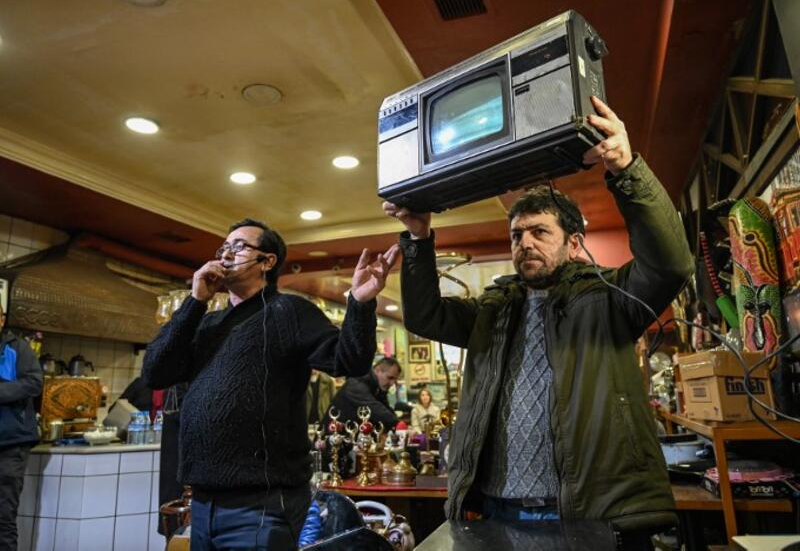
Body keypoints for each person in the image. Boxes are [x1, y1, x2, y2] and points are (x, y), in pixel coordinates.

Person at [384, 97, 694, 549]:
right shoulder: (492, 309)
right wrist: (418, 239)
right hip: (495, 511)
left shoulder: (607, 299)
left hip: (585, 511)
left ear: (574, 244)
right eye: (516, 235)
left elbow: (670, 265)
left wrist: (626, 171)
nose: (524, 243)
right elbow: (425, 316)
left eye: (539, 232)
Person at [142, 218, 398, 551]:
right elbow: (155, 373)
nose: (227, 254)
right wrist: (195, 302)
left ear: (267, 261)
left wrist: (361, 303)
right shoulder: (207, 323)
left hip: (262, 504)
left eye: (239, 246)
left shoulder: (289, 311)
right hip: (203, 502)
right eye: (224, 247)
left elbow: (348, 361)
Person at [0, 303, 43, 551]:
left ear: (2, 320)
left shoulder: (18, 349)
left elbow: (34, 382)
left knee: (3, 517)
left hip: (10, 444)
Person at [328, 356, 401, 430]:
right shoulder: (357, 381)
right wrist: (398, 424)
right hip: (334, 433)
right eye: (390, 378)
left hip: (349, 431)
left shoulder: (377, 387)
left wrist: (398, 423)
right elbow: (373, 408)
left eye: (394, 380)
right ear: (377, 370)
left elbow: (384, 408)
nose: (392, 383)